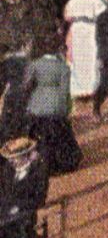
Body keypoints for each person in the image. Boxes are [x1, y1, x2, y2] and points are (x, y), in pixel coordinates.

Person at [22, 46, 78, 176]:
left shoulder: (35, 64)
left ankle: (40, 164)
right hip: (55, 106)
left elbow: (26, 86)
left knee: (39, 136)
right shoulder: (64, 68)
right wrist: (64, 112)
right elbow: (65, 93)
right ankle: (59, 164)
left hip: (37, 106)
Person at [0, 136, 46, 238]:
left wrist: (18, 207)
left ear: (25, 156)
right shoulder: (7, 170)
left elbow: (39, 199)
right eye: (11, 158)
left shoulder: (37, 172)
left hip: (25, 217)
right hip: (5, 214)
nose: (12, 161)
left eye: (15, 158)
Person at [61, 0, 106, 105]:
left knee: (80, 58)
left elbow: (67, 16)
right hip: (90, 29)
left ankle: (80, 90)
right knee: (90, 57)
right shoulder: (96, 1)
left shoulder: (72, 2)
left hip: (78, 29)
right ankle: (90, 88)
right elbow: (103, 16)